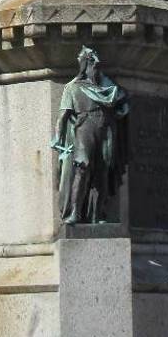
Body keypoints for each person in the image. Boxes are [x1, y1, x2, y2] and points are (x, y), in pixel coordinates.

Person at [52, 46, 129, 225]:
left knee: (103, 170)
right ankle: (75, 213)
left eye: (95, 62)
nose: (95, 65)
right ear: (85, 64)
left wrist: (122, 110)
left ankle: (98, 214)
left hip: (106, 127)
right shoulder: (72, 88)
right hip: (84, 127)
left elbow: (122, 103)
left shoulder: (108, 87)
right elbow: (63, 116)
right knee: (82, 167)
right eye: (91, 62)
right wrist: (57, 137)